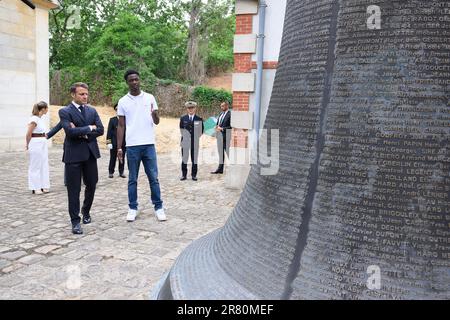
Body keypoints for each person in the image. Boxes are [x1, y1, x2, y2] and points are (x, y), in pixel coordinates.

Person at [117, 69, 166, 222]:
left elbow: (157, 121)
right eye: (131, 80)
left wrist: (154, 114)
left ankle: (158, 207)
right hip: (132, 146)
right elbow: (120, 126)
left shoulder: (150, 98)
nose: (134, 82)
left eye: (136, 79)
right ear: (127, 82)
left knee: (154, 178)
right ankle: (132, 207)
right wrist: (120, 147)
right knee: (132, 179)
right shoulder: (123, 101)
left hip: (148, 144)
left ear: (139, 80)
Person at [59, 82, 104, 235]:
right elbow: (69, 133)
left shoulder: (92, 110)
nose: (85, 96)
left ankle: (86, 211)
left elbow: (101, 130)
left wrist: (82, 131)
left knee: (92, 184)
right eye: (81, 94)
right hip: (73, 156)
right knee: (74, 189)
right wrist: (89, 128)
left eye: (86, 94)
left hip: (90, 154)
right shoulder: (65, 111)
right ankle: (75, 221)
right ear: (73, 95)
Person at [26, 101, 50, 195]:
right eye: (47, 108)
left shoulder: (40, 119)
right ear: (43, 109)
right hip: (35, 142)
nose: (47, 110)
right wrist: (27, 144)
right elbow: (28, 133)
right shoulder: (34, 119)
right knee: (35, 164)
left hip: (42, 141)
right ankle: (35, 187)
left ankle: (44, 185)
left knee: (44, 163)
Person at [179, 101, 204, 181]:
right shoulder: (183, 118)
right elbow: (181, 129)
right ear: (187, 109)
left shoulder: (199, 119)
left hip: (194, 142)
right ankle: (184, 175)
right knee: (184, 159)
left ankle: (194, 175)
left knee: (194, 159)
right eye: (189, 108)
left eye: (192, 108)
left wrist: (194, 137)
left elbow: (201, 131)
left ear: (195, 108)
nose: (190, 109)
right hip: (185, 142)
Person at [211, 101, 232, 174]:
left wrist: (222, 129)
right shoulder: (220, 114)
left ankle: (234, 167)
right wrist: (216, 127)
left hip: (226, 137)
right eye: (221, 106)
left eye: (223, 106)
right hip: (219, 136)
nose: (221, 107)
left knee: (228, 153)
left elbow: (231, 126)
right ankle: (220, 169)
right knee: (220, 153)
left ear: (227, 106)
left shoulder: (230, 114)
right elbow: (218, 124)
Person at [106, 103, 126, 178]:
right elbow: (109, 132)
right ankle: (111, 172)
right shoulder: (112, 120)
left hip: (123, 143)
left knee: (122, 158)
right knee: (113, 158)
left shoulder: (125, 120)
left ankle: (121, 172)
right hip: (114, 143)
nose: (118, 111)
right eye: (117, 109)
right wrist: (108, 142)